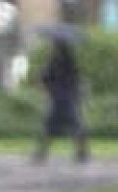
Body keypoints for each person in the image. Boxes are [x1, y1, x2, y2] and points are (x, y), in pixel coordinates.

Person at [34, 35, 89, 164]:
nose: (52, 48)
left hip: (60, 99)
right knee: (74, 126)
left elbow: (44, 79)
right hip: (67, 99)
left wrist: (43, 81)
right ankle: (81, 153)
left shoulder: (55, 63)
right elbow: (76, 80)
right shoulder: (69, 63)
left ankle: (42, 153)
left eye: (54, 46)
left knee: (51, 127)